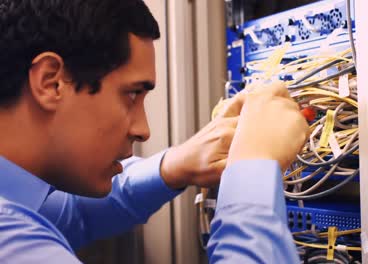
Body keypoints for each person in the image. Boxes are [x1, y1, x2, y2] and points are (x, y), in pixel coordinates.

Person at [0, 0, 308, 263]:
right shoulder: (12, 242)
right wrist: (254, 163)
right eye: (131, 95)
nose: (143, 130)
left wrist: (174, 165)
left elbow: (72, 215)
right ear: (51, 82)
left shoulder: (19, 203)